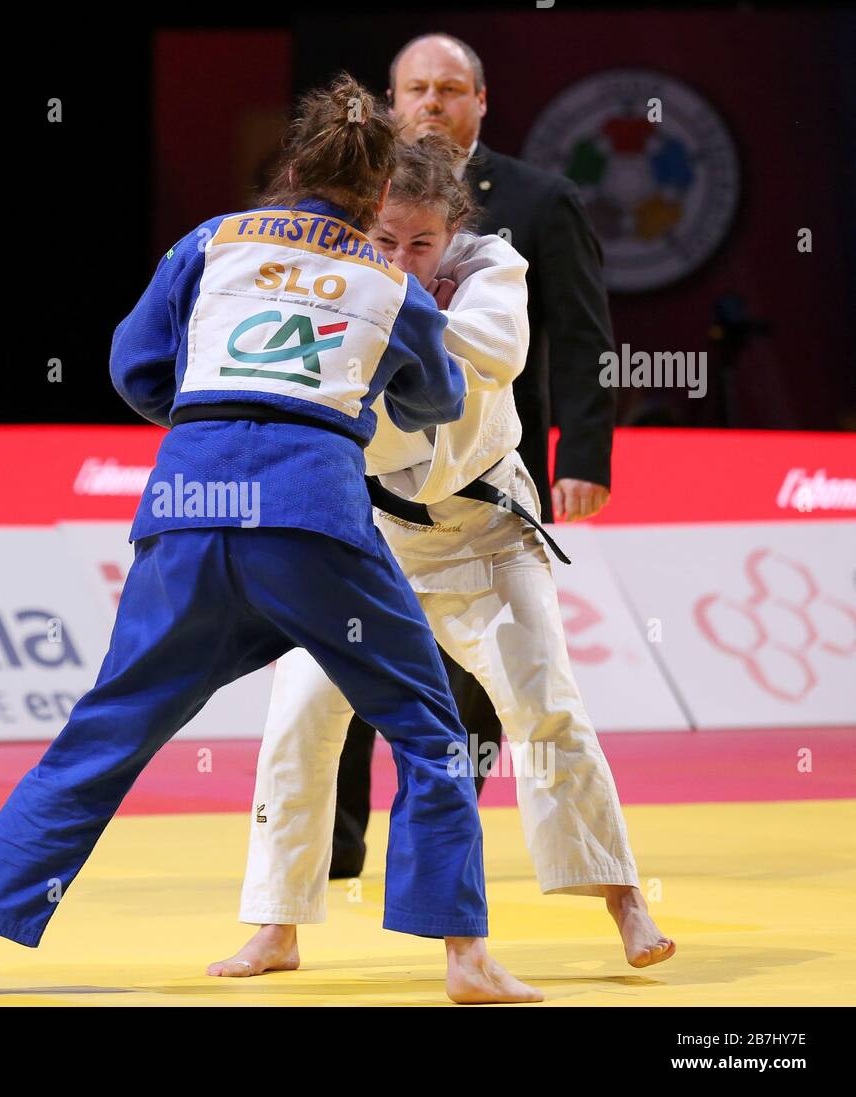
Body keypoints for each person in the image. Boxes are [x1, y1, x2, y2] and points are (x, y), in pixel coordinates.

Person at [0, 75, 541, 1004]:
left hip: (186, 508)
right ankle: (466, 958)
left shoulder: (209, 241)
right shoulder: (392, 283)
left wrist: (207, 421)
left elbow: (133, 366)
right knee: (431, 732)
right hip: (313, 523)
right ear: (374, 194)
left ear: (291, 169)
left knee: (101, 734)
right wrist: (354, 393)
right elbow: (436, 401)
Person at [207, 137, 673, 979]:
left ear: (452, 230)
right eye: (382, 240)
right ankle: (276, 925)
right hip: (372, 543)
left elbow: (492, 356)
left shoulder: (493, 268)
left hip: (486, 536)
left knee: (545, 707)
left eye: (420, 243)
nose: (400, 258)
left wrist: (370, 310)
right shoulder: (330, 274)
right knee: (301, 716)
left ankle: (624, 897)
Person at [330, 33, 621, 876]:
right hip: (367, 468)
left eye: (450, 89)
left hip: (485, 472)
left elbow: (583, 336)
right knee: (340, 666)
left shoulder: (539, 199)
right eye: (415, 88)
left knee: (480, 686)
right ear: (391, 103)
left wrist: (587, 452)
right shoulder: (353, 201)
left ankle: (433, 841)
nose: (431, 103)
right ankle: (339, 846)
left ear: (481, 101)